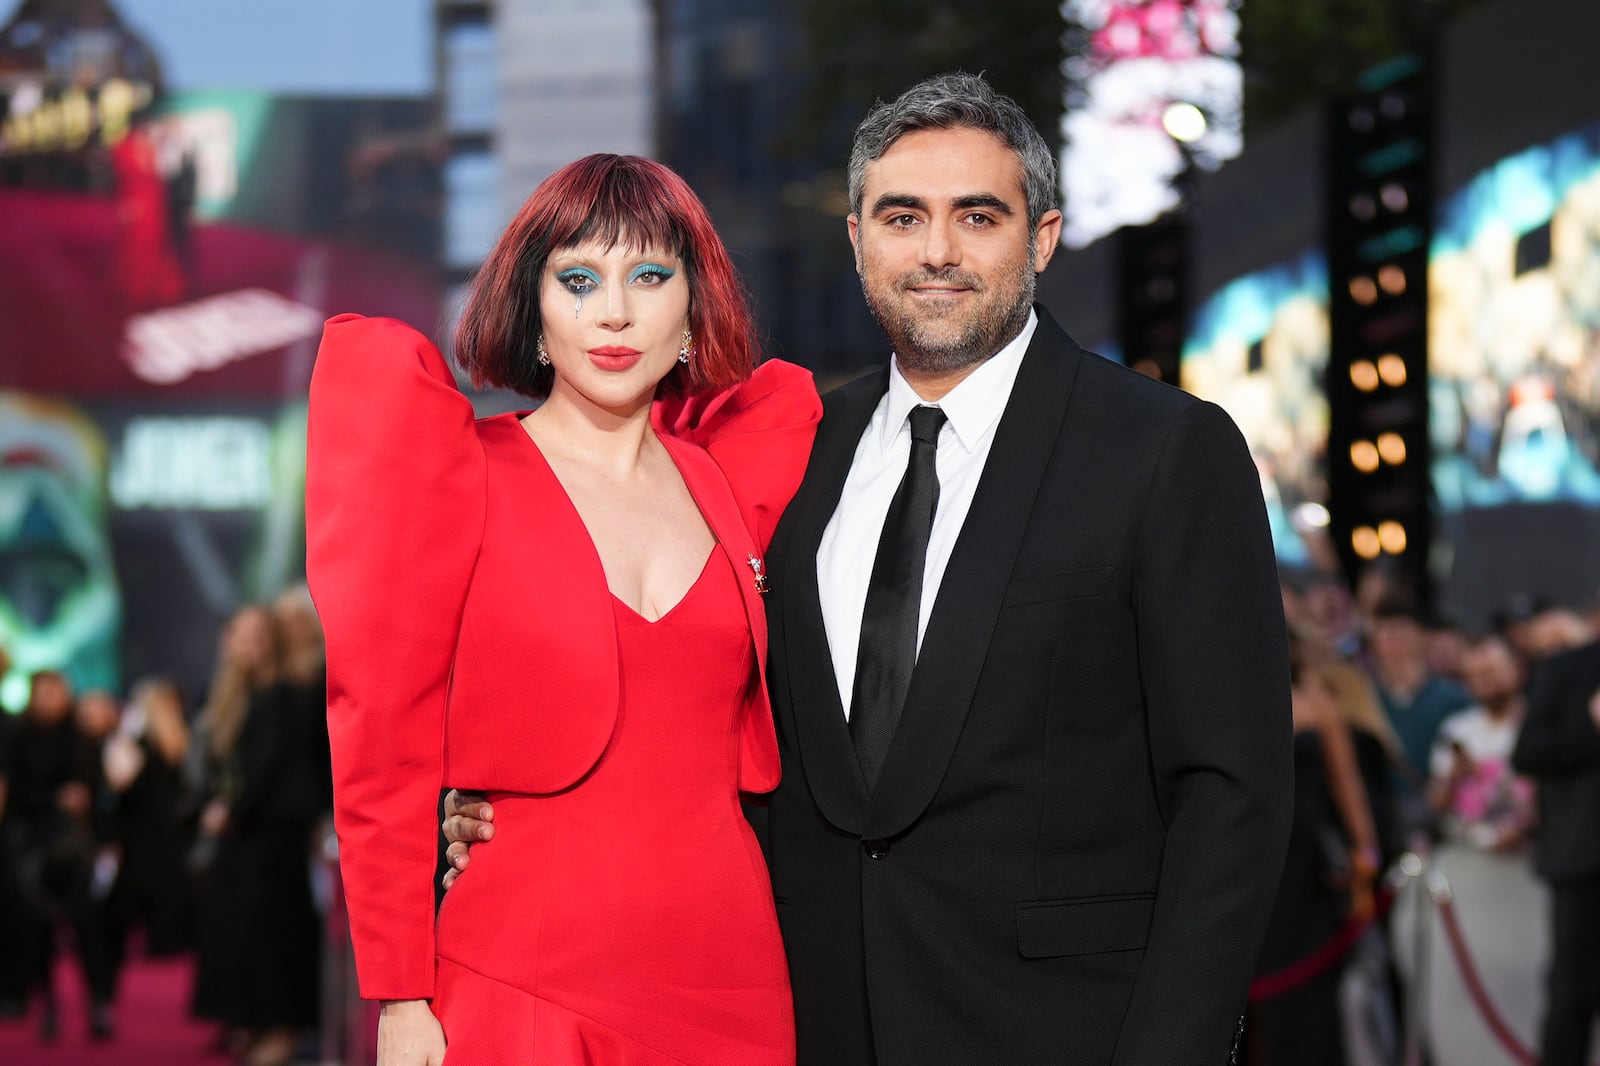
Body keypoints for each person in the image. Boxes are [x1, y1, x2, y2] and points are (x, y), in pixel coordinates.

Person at [447, 73, 1292, 1064]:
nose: (935, 251)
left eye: (976, 216)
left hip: (1068, 1030)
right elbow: (702, 707)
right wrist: (500, 805)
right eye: (902, 217)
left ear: (1043, 238)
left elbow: (1233, 789)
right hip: (808, 1021)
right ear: (857, 241)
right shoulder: (794, 449)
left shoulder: (1161, 450)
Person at [305, 153, 820, 1065]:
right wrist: (399, 994)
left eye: (649, 275)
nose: (612, 311)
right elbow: (378, 733)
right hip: (518, 972)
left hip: (730, 974)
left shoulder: (730, 476)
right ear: (536, 312)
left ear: (693, 309)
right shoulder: (463, 474)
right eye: (578, 279)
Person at [190, 603, 323, 1066]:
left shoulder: (284, 693)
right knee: (249, 932)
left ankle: (279, 1028)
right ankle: (254, 1022)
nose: (251, 645)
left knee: (273, 933)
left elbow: (269, 770)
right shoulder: (237, 695)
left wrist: (232, 810)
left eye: (259, 635)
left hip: (273, 833)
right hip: (250, 832)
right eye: (242, 635)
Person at [1511, 633, 1600, 1066]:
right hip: (1582, 860)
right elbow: (1527, 754)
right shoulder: (1565, 668)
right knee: (1571, 995)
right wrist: (1591, 725)